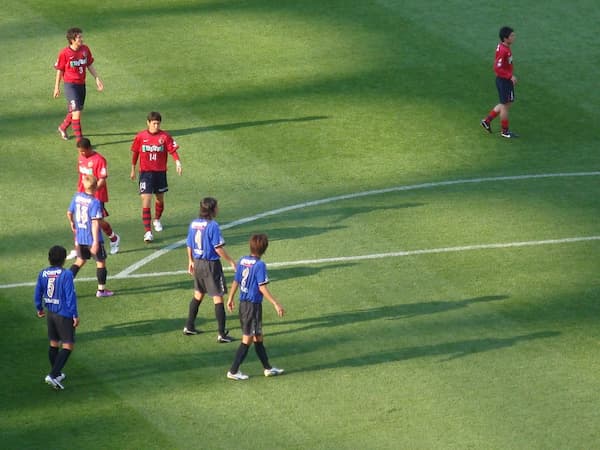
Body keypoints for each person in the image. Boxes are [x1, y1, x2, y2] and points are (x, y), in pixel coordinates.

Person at [226, 233, 285, 381]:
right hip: (252, 306)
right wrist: (275, 303)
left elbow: (236, 280)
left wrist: (230, 297)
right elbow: (262, 288)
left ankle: (268, 368)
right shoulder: (260, 265)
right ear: (265, 249)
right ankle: (233, 370)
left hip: (244, 304)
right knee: (248, 338)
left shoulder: (242, 260)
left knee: (258, 337)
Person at [183, 197, 236, 343]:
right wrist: (231, 261)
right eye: (217, 207)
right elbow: (217, 248)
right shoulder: (213, 225)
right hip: (211, 265)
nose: (218, 209)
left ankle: (189, 326)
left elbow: (189, 243)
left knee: (198, 294)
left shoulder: (194, 224)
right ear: (212, 209)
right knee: (218, 297)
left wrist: (190, 260)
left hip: (198, 263)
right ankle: (221, 334)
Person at [130, 111, 183, 243]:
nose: (156, 126)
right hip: (145, 174)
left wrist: (178, 162)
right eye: (154, 123)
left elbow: (172, 150)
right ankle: (148, 232)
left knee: (159, 200)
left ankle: (157, 219)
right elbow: (135, 152)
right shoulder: (141, 136)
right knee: (146, 200)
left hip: (160, 173)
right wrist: (133, 169)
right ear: (148, 123)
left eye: (158, 123)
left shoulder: (164, 137)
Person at [34, 245, 79, 390]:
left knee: (54, 343)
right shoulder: (66, 275)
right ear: (64, 259)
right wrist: (75, 315)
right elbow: (70, 296)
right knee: (68, 345)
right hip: (64, 314)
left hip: (51, 314)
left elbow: (38, 292)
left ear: (49, 258)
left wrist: (39, 308)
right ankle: (53, 375)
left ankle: (57, 373)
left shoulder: (43, 273)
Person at [67, 138, 119, 259]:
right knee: (79, 218)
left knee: (98, 222)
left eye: (83, 151)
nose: (81, 154)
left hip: (96, 195)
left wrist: (93, 190)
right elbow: (81, 176)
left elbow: (102, 178)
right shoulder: (81, 158)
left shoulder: (99, 160)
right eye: (79, 151)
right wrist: (80, 191)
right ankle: (77, 247)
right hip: (82, 193)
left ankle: (114, 238)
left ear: (89, 148)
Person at [53, 27, 104, 142]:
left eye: (81, 36)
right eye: (79, 37)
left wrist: (97, 78)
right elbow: (59, 70)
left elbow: (89, 64)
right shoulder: (64, 53)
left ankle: (62, 127)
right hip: (70, 85)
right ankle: (80, 141)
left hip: (82, 85)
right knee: (76, 113)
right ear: (72, 39)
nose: (82, 39)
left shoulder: (85, 50)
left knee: (75, 110)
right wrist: (56, 87)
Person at [66, 175, 114, 297]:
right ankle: (101, 291)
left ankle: (64, 285)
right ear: (96, 187)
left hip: (80, 237)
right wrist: (96, 242)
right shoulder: (95, 202)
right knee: (101, 262)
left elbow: (69, 212)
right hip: (91, 238)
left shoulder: (77, 197)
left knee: (79, 261)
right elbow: (95, 222)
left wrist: (72, 223)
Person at [481, 26, 519, 138]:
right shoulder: (504, 50)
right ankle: (505, 131)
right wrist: (510, 76)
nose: (514, 37)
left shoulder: (503, 47)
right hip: (504, 81)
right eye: (512, 35)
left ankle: (487, 121)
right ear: (505, 38)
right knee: (506, 106)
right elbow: (497, 68)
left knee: (504, 104)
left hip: (503, 80)